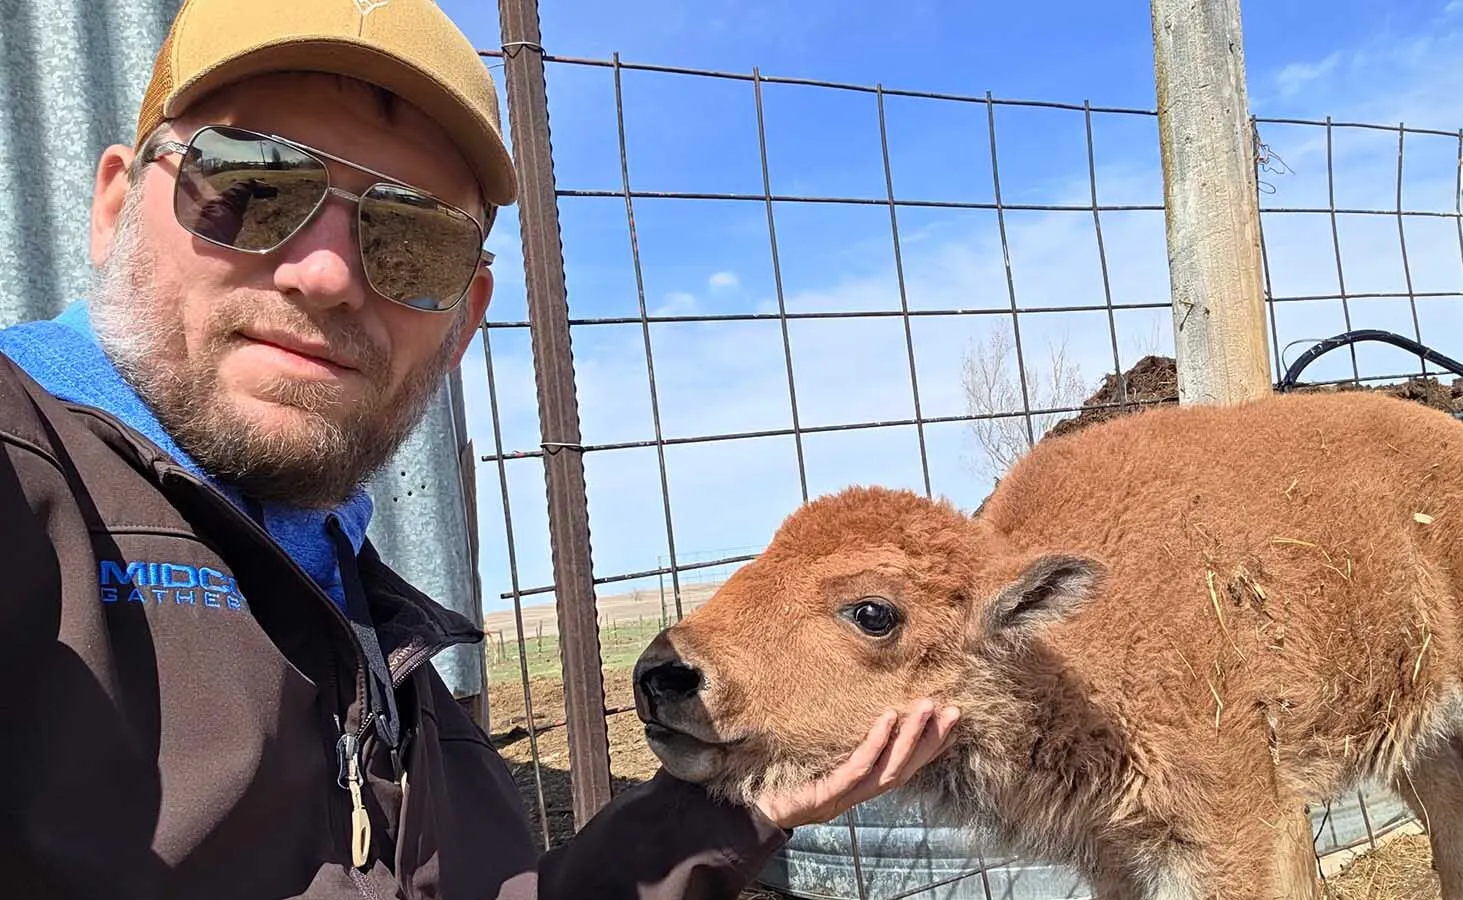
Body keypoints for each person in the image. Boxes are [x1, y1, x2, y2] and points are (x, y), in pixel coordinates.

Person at [0, 1, 961, 898]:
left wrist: (716, 818)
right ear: (118, 205)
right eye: (250, 186)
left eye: (412, 240)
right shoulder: (25, 484)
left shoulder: (362, 612)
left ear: (465, 319)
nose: (329, 273)